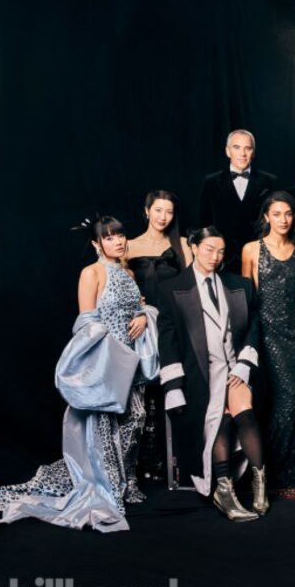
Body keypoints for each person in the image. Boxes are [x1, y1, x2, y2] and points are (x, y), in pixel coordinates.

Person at [0, 217, 158, 532]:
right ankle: (109, 486)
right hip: (105, 359)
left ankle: (128, 479)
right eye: (109, 237)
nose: (118, 242)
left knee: (135, 419)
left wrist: (145, 317)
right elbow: (87, 321)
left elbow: (138, 309)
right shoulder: (91, 273)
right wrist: (108, 349)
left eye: (120, 235)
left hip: (130, 360)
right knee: (104, 425)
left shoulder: (129, 273)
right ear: (96, 243)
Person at [157, 226, 267, 522]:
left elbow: (253, 325)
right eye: (209, 249)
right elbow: (167, 341)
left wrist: (245, 363)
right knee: (221, 421)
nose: (215, 257)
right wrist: (173, 386)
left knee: (245, 414)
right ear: (193, 247)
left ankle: (260, 485)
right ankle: (224, 491)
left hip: (234, 367)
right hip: (200, 375)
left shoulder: (240, 285)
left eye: (220, 251)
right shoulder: (172, 288)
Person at [241, 191, 295, 488]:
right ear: (266, 217)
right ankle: (272, 468)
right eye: (277, 214)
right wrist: (249, 337)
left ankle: (281, 466)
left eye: (288, 214)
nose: (283, 220)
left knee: (289, 400)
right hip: (266, 333)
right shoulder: (252, 249)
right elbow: (246, 298)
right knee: (280, 400)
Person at [124, 189, 194, 489]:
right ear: (146, 211)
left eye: (169, 211)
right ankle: (140, 465)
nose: (163, 217)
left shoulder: (182, 245)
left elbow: (191, 288)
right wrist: (139, 312)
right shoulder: (128, 246)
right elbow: (121, 291)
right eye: (158, 210)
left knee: (173, 388)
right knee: (141, 396)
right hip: (140, 328)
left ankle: (172, 464)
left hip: (173, 325)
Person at [198, 129, 277, 272]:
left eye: (248, 148)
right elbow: (203, 222)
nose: (242, 153)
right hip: (221, 260)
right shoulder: (211, 182)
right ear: (227, 151)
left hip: (259, 258)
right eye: (237, 147)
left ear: (253, 152)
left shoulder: (269, 182)